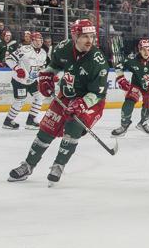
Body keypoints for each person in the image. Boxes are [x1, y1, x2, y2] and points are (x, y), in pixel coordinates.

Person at [7, 20, 108, 185]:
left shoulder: (98, 61)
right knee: (46, 129)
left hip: (90, 102)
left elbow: (98, 93)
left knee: (73, 128)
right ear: (75, 36)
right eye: (84, 36)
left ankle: (59, 165)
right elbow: (53, 66)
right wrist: (46, 78)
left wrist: (81, 104)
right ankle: (28, 165)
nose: (89, 40)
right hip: (66, 96)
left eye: (92, 36)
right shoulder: (63, 48)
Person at [111, 39, 149, 137]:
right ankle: (124, 125)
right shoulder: (131, 58)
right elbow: (118, 67)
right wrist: (121, 79)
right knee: (129, 102)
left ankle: (143, 123)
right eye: (143, 49)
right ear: (139, 49)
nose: (146, 52)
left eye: (148, 49)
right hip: (136, 84)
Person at [3, 31, 47, 130]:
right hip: (19, 80)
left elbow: (41, 68)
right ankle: (8, 121)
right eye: (37, 40)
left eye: (40, 40)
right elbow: (9, 59)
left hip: (32, 81)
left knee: (40, 97)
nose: (39, 42)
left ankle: (31, 121)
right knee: (20, 101)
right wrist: (17, 68)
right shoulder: (24, 49)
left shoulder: (43, 53)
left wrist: (47, 76)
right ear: (32, 41)